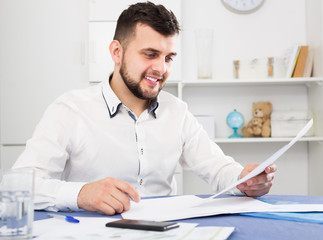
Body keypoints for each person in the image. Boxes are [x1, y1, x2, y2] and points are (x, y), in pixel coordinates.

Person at [12, 1, 276, 215]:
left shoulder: (178, 112)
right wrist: (80, 194)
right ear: (117, 52)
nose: (161, 68)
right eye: (150, 54)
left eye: (168, 57)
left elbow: (218, 168)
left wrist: (245, 180)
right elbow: (16, 187)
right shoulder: (69, 111)